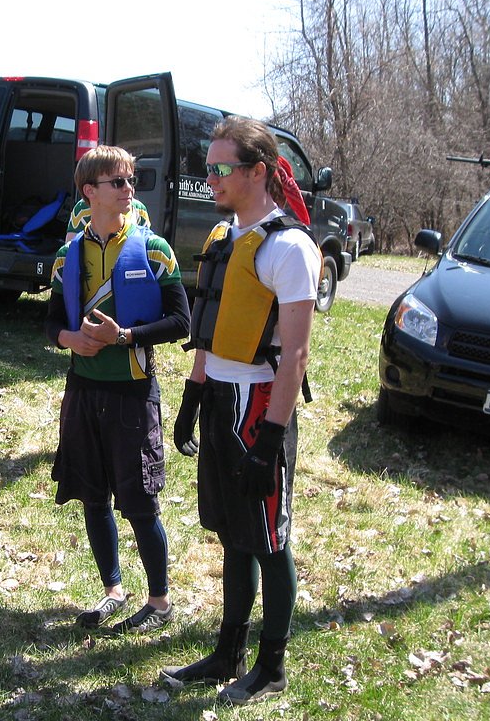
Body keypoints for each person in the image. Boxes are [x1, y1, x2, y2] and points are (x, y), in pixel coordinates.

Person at [162, 116, 321, 705]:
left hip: (260, 402)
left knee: (269, 540)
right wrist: (193, 394)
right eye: (208, 167)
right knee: (233, 532)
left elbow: (296, 352)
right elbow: (209, 330)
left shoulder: (289, 247)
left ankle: (271, 666)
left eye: (221, 168)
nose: (210, 177)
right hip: (221, 399)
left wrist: (272, 435)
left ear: (258, 172)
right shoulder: (224, 238)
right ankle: (227, 652)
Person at [46, 145, 190, 635]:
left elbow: (180, 321)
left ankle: (159, 600)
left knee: (140, 501)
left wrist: (125, 337)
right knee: (93, 496)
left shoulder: (154, 249)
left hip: (133, 392)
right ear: (90, 192)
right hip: (83, 390)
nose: (130, 190)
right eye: (119, 182)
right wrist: (72, 340)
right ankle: (112, 590)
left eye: (131, 181)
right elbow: (50, 325)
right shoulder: (68, 256)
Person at [65, 195, 150, 243]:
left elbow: (145, 249)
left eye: (131, 180)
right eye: (117, 182)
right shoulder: (84, 208)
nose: (127, 187)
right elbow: (69, 254)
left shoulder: (139, 209)